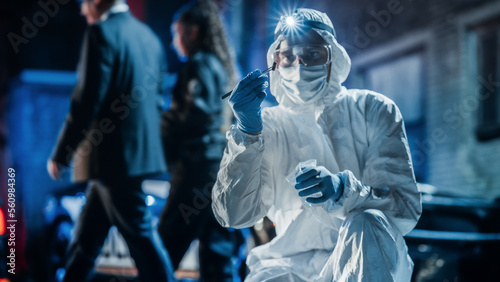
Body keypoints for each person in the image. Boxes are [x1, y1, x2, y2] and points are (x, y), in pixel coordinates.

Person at [212, 8, 422, 282]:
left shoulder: (372, 110)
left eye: (312, 54)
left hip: (367, 258)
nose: (299, 65)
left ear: (332, 58)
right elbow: (233, 215)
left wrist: (342, 191)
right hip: (289, 264)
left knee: (365, 222)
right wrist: (248, 134)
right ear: (275, 62)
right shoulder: (268, 126)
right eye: (288, 56)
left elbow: (404, 208)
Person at [47, 0, 175, 281]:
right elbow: (155, 101)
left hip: (111, 158)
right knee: (85, 242)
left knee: (142, 240)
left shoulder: (100, 34)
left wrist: (62, 153)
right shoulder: (150, 38)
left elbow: (87, 100)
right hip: (130, 158)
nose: (82, 11)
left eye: (84, 3)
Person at [157, 1, 242, 281]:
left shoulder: (199, 65)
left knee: (162, 253)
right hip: (219, 171)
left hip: (197, 170)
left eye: (176, 32)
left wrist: (162, 120)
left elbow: (196, 114)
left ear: (192, 32)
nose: (173, 42)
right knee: (217, 256)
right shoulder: (219, 67)